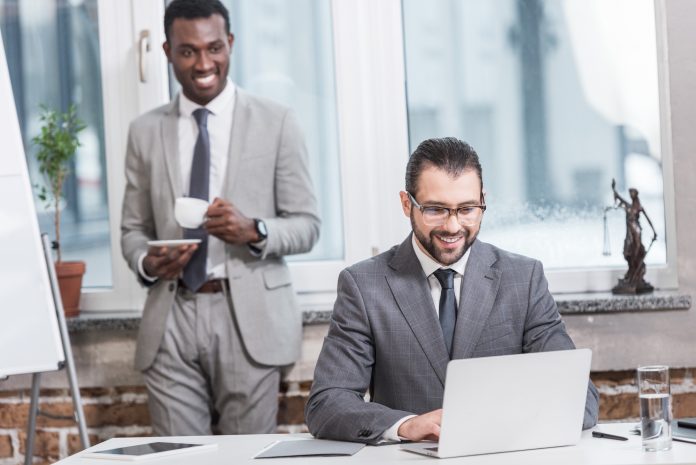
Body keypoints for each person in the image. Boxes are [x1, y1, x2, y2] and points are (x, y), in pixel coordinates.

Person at [305, 137, 598, 444]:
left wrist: (502, 422)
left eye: (467, 209)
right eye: (436, 210)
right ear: (407, 205)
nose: (453, 226)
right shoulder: (364, 285)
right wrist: (405, 425)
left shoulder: (523, 279)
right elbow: (327, 404)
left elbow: (582, 398)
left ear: (483, 201)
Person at [120, 0, 319, 436]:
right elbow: (133, 229)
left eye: (214, 48)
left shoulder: (277, 121)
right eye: (188, 51)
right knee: (179, 460)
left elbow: (307, 224)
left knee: (245, 459)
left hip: (248, 314)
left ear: (230, 44)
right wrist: (147, 263)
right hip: (172, 314)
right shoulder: (144, 131)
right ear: (168, 52)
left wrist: (254, 230)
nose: (203, 63)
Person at [611, 179, 657, 293]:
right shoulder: (629, 206)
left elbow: (648, 220)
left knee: (636, 251)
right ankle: (631, 273)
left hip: (636, 231)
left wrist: (654, 231)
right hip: (629, 232)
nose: (630, 194)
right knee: (627, 252)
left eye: (632, 192)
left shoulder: (638, 207)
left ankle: (635, 275)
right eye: (630, 192)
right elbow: (618, 198)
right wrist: (614, 189)